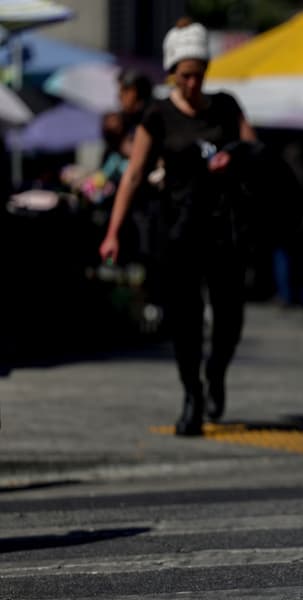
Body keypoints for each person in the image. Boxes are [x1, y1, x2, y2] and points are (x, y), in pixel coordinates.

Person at [99, 18, 257, 436]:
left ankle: (216, 372)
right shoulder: (158, 116)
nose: (192, 82)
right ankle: (191, 395)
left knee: (229, 319)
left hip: (225, 230)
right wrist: (112, 232)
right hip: (180, 231)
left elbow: (253, 149)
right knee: (185, 320)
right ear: (173, 72)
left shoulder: (225, 107)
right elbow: (133, 176)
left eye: (199, 73)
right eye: (185, 75)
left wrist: (237, 155)